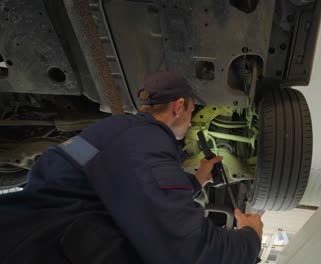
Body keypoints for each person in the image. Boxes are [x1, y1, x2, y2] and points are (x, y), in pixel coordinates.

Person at [0, 71, 263, 263]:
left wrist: (196, 182)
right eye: (192, 112)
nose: (190, 121)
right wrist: (250, 238)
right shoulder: (146, 140)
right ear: (179, 106)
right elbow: (190, 251)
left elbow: (123, 188)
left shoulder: (119, 132)